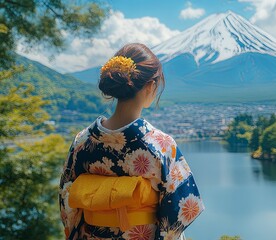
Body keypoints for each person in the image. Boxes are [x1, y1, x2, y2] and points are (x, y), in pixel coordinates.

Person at [59, 43, 204, 240]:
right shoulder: (160, 145)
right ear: (151, 86)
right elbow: (179, 213)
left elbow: (67, 202)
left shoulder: (82, 142)